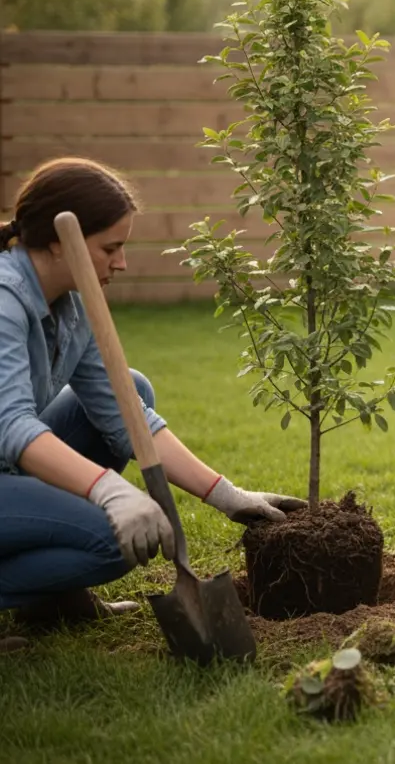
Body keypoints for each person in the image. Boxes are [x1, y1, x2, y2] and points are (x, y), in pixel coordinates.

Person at [0, 157, 307, 648]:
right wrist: (109, 492)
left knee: (132, 389)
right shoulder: (4, 301)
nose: (121, 263)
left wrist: (225, 494)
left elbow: (125, 413)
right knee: (114, 539)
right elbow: (12, 427)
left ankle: (51, 599)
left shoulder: (72, 306)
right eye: (110, 248)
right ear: (60, 242)